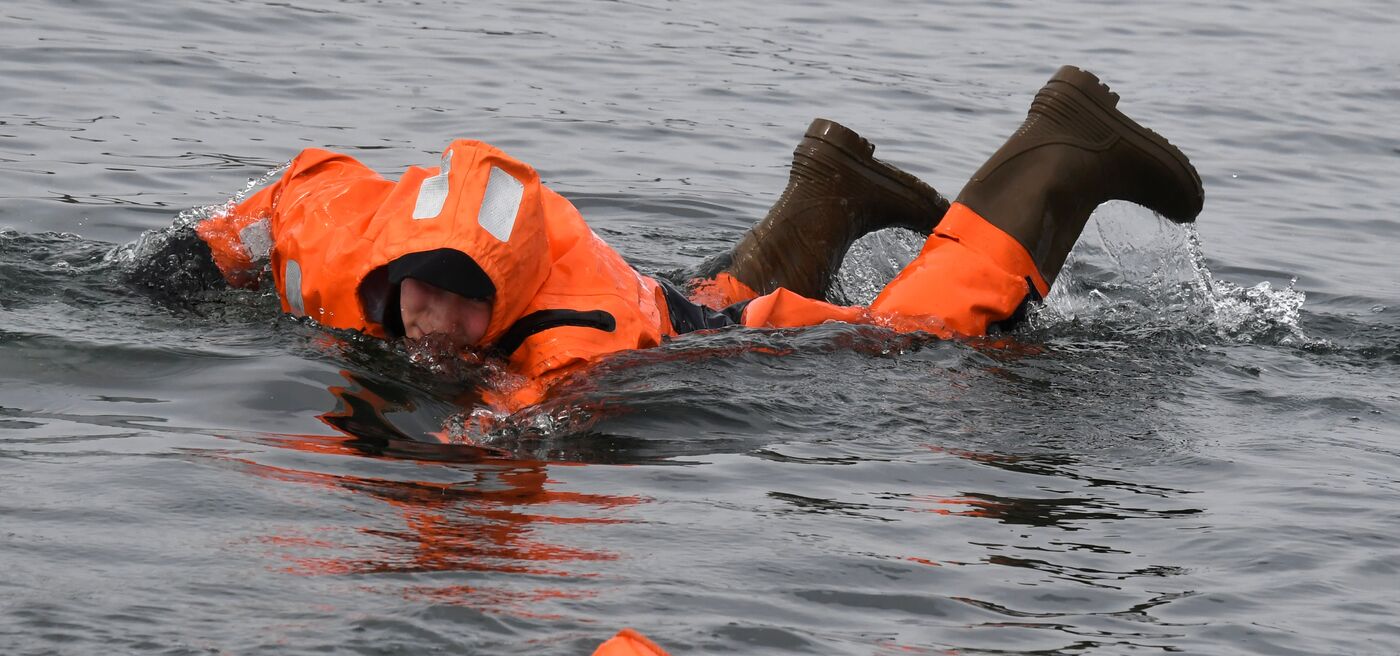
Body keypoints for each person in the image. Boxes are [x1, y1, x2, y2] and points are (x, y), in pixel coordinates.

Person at [130, 66, 1203, 410]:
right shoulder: (350, 242)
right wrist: (201, 252)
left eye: (469, 305)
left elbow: (530, 421)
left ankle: (1058, 147)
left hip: (647, 323)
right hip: (639, 286)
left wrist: (483, 436)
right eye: (429, 294)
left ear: (503, 297)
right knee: (706, 296)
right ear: (393, 267)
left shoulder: (562, 340)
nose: (444, 325)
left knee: (917, 341)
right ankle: (827, 189)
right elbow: (292, 191)